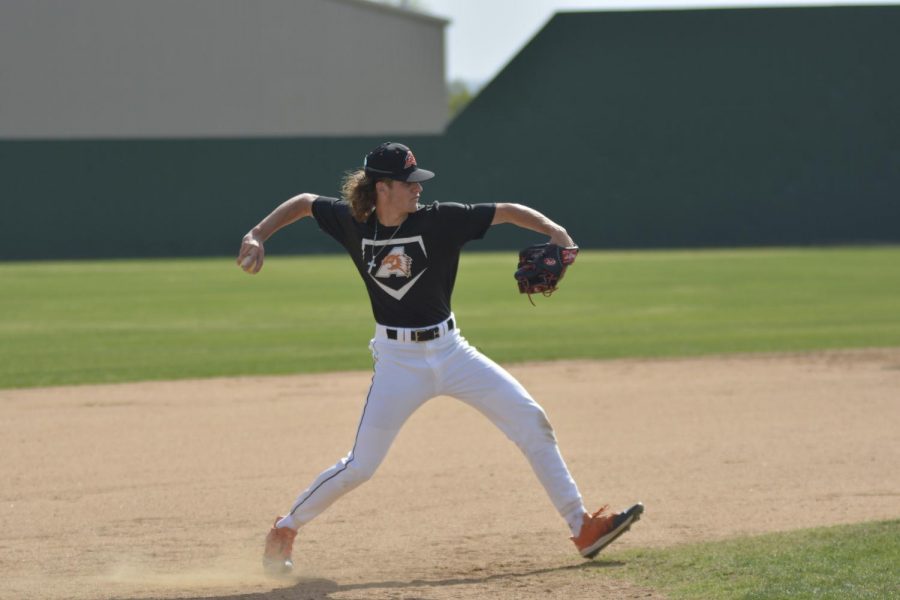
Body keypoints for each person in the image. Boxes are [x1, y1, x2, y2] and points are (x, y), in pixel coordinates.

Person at [237, 142, 643, 574]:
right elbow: (302, 203)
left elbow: (505, 210)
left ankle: (582, 527)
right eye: (409, 183)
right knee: (361, 466)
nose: (418, 190)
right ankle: (285, 528)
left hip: (452, 352)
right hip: (397, 363)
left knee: (530, 420)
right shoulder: (352, 222)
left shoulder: (441, 220)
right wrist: (256, 233)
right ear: (383, 187)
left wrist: (556, 232)